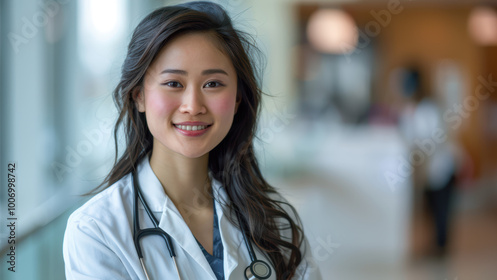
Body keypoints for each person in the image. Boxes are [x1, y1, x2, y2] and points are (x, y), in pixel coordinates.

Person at [62, 2, 321, 279]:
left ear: (236, 99)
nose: (193, 105)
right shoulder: (96, 230)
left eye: (213, 84)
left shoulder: (275, 223)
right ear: (139, 95)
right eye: (174, 83)